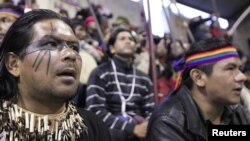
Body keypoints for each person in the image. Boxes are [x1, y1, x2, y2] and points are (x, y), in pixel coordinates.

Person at [0, 9, 111, 141]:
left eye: (74, 47)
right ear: (14, 64)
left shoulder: (94, 129)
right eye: (51, 44)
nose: (70, 54)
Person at [146, 38, 250, 141]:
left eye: (240, 69)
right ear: (198, 77)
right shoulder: (168, 122)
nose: (242, 77)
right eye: (230, 68)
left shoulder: (234, 110)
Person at [86, 28, 155, 141]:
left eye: (131, 39)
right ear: (112, 48)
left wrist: (146, 126)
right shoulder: (100, 72)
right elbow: (95, 110)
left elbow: (151, 111)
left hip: (141, 130)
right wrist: (132, 128)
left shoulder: (144, 78)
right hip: (110, 132)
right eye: (122, 39)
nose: (128, 41)